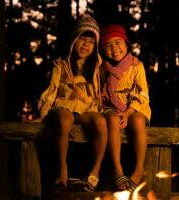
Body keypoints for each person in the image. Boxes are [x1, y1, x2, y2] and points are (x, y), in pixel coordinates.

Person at [31, 14, 108, 192]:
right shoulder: (62, 63)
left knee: (101, 122)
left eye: (91, 42)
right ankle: (62, 169)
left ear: (95, 46)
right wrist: (43, 114)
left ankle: (94, 172)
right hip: (63, 104)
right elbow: (51, 89)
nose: (86, 45)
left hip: (85, 107)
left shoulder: (96, 65)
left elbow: (100, 88)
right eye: (82, 39)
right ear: (74, 39)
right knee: (65, 121)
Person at [99, 24, 151, 192]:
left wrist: (128, 113)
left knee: (137, 121)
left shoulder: (136, 66)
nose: (114, 48)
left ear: (126, 44)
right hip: (109, 108)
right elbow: (97, 92)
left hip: (134, 107)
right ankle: (118, 169)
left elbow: (142, 93)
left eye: (118, 42)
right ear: (103, 50)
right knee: (112, 119)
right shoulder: (102, 68)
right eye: (108, 45)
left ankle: (139, 169)